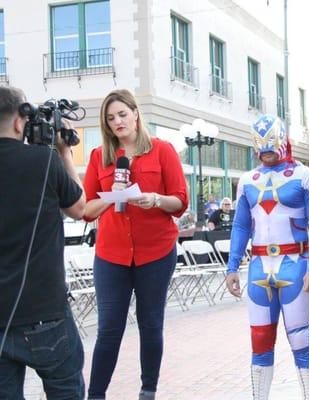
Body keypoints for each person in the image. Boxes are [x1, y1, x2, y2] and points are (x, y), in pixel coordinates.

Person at [83, 89, 188, 400]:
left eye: (122, 114)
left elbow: (180, 202)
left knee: (150, 324)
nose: (117, 121)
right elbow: (86, 210)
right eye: (111, 118)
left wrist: (154, 199)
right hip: (111, 255)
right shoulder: (98, 157)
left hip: (155, 252)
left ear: (136, 113)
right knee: (108, 329)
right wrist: (112, 196)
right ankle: (96, 395)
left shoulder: (162, 150)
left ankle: (148, 391)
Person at [225, 114, 309, 400]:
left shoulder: (306, 176)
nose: (266, 150)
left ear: (282, 139)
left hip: (295, 265)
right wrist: (232, 267)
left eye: (271, 142)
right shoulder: (247, 181)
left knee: (300, 339)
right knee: (259, 341)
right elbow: (241, 225)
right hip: (258, 267)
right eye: (261, 144)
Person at [0, 86, 86, 399]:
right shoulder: (43, 161)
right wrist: (64, 152)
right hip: (44, 313)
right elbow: (80, 208)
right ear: (20, 121)